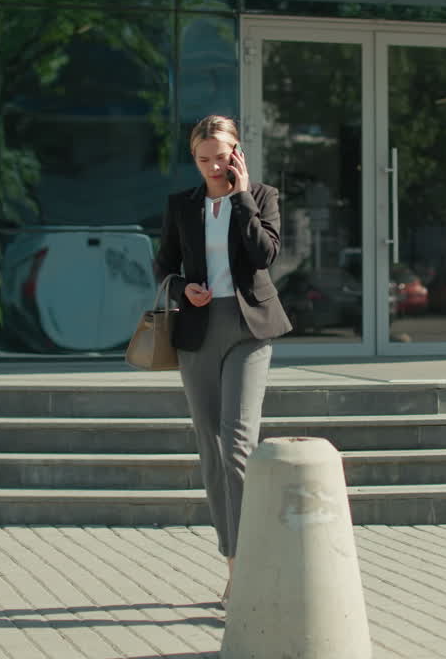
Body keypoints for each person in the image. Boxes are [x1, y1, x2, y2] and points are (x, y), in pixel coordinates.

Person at [155, 115, 292, 605]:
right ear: (194, 159)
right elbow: (163, 264)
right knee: (211, 449)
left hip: (249, 330)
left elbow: (264, 255)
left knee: (237, 445)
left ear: (238, 153)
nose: (214, 166)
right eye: (204, 158)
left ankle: (249, 568)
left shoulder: (262, 197)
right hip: (197, 330)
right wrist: (181, 287)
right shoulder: (181, 205)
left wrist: (240, 197)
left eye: (222, 155)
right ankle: (233, 563)